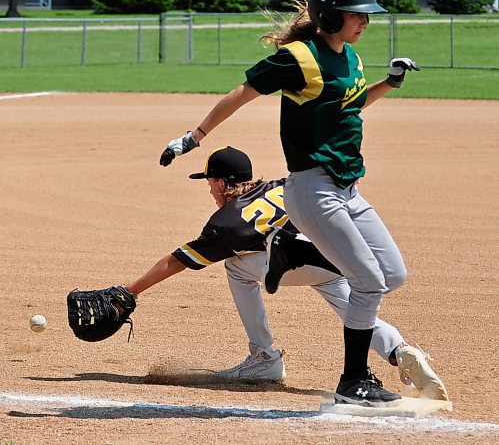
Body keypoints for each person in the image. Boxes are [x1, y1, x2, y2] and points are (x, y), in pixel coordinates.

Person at [158, 0, 422, 406]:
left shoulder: (350, 58)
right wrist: (194, 137)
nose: (366, 22)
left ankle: (295, 255)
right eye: (359, 14)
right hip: (312, 187)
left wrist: (389, 83)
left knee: (392, 275)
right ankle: (353, 381)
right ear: (332, 14)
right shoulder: (300, 57)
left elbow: (351, 105)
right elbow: (242, 92)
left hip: (348, 190)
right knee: (369, 282)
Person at [125, 146, 448, 401]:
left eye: (210, 183)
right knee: (350, 305)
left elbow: (178, 260)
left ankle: (263, 355)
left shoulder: (227, 221)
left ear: (223, 183)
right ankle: (398, 350)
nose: (210, 191)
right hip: (337, 258)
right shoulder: (280, 185)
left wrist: (131, 290)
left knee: (236, 266)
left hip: (295, 261)